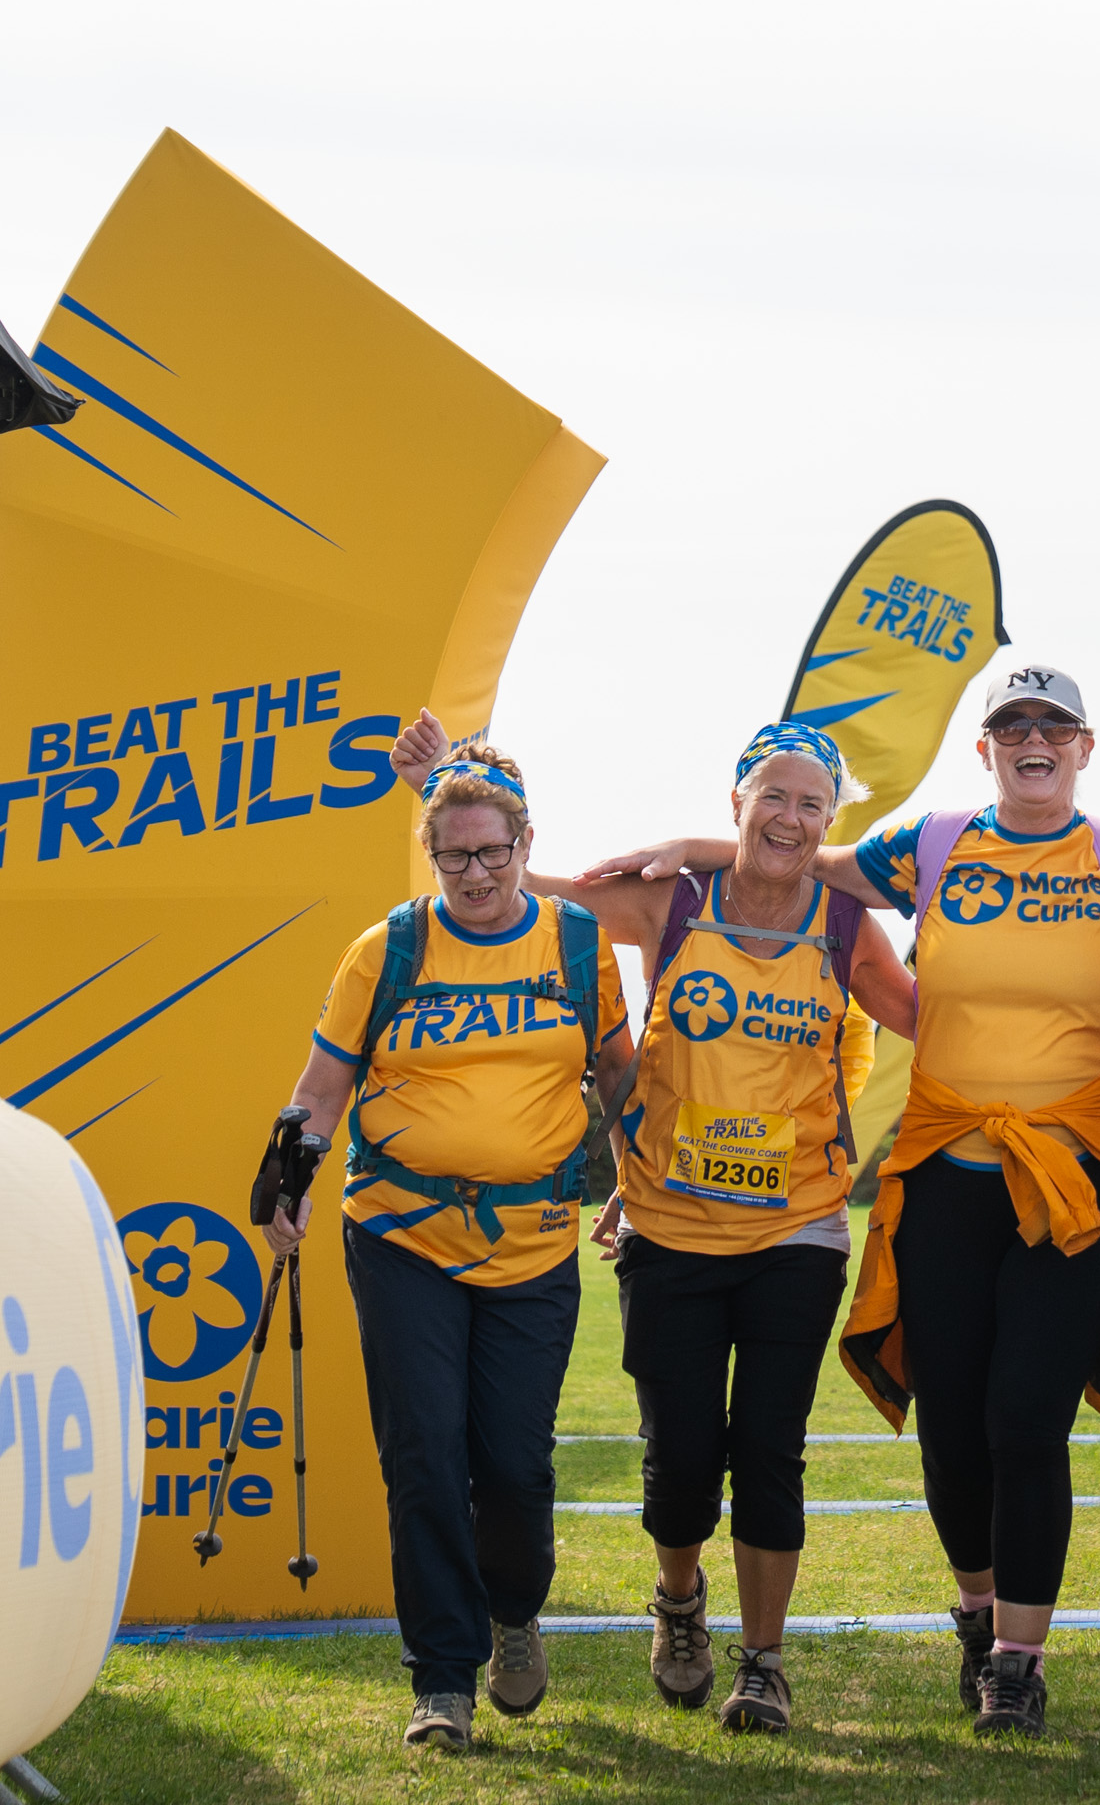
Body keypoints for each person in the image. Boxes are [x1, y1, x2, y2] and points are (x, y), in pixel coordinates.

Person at [576, 665, 1100, 1739]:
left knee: (1024, 1417)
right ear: (986, 749)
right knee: (951, 1426)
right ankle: (974, 1611)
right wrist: (701, 844)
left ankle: (1018, 1659)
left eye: (1055, 725)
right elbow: (800, 855)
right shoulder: (932, 842)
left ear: (1087, 747)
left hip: (1077, 1184)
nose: (1034, 737)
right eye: (1014, 724)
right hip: (949, 1176)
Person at [264, 744, 634, 1754]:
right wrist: (286, 1177)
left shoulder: (576, 944)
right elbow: (324, 1086)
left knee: (512, 1464)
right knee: (424, 1453)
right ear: (428, 852)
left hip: (533, 1242)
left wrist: (635, 1180)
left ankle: (514, 1610)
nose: (476, 873)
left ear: (525, 844)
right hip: (398, 1233)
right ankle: (442, 1677)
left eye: (493, 852)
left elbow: (617, 1074)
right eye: (453, 856)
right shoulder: (385, 949)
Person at [558, 721, 917, 1734]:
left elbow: (932, 1015)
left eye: (812, 803)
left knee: (768, 1446)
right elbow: (529, 895)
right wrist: (446, 793)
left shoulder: (846, 925)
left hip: (798, 1228)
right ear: (736, 802)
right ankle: (679, 1600)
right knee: (678, 1459)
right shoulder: (674, 902)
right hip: (667, 1227)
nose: (792, 817)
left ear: (831, 819)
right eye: (774, 795)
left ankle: (764, 1662)